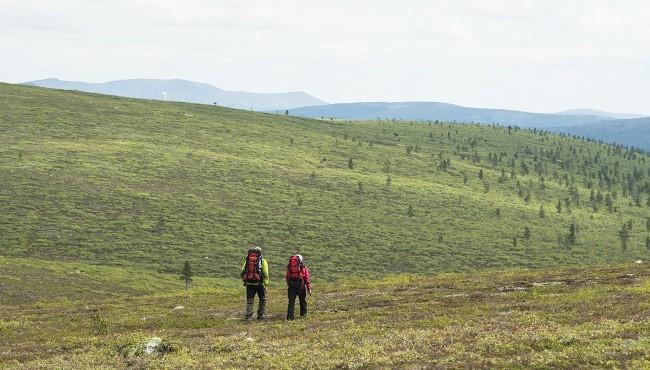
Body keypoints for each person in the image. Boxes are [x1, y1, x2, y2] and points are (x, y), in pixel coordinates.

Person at [240, 246, 269, 320]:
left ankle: (249, 316)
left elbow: (242, 271)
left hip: (249, 283)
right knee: (262, 299)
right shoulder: (263, 261)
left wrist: (245, 280)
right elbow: (265, 273)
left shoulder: (248, 260)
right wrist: (266, 284)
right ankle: (260, 315)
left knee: (250, 299)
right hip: (259, 283)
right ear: (260, 252)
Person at [286, 254, 312, 320]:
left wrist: (289, 284)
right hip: (301, 287)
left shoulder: (290, 267)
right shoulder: (303, 268)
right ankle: (303, 315)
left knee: (291, 302)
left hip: (291, 287)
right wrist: (309, 288)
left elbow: (287, 277)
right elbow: (307, 278)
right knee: (302, 301)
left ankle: (290, 317)